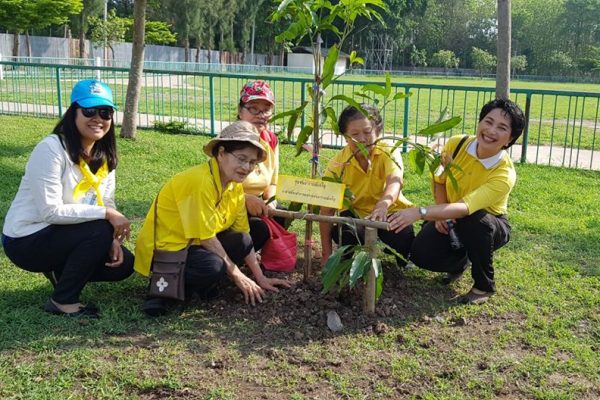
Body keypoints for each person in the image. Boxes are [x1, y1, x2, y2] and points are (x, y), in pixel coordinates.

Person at [1, 79, 134, 318]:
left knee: (123, 265)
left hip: (66, 232)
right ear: (73, 113)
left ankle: (61, 272)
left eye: (105, 112)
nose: (98, 118)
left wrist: (111, 239)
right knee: (100, 228)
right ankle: (63, 301)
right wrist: (107, 217)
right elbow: (50, 211)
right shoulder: (51, 148)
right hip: (26, 239)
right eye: (89, 110)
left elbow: (107, 200)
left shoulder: (104, 155)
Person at [135, 121, 291, 316]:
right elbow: (207, 238)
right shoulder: (199, 182)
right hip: (168, 250)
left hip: (195, 245)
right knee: (213, 266)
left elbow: (243, 233)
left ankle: (200, 283)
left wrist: (260, 277)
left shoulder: (234, 186)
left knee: (245, 238)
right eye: (241, 158)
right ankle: (163, 286)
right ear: (221, 153)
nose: (246, 167)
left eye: (252, 162)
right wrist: (237, 276)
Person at [388, 98, 525, 305]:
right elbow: (440, 181)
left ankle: (483, 286)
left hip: (487, 224)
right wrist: (442, 216)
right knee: (420, 254)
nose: (491, 131)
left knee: (475, 220)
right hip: (453, 213)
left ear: (510, 139)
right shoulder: (456, 144)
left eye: (502, 128)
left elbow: (466, 207)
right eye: (488, 122)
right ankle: (460, 263)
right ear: (479, 122)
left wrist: (420, 212)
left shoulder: (504, 174)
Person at [319, 104, 415, 266]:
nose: (362, 139)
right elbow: (326, 210)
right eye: (355, 134)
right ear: (345, 136)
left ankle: (404, 257)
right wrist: (327, 253)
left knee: (402, 235)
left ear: (378, 131)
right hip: (357, 217)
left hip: (389, 211)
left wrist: (383, 204)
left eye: (367, 132)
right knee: (346, 232)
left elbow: (394, 180)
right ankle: (348, 259)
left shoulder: (388, 152)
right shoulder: (338, 164)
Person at [237, 80, 282, 251]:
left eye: (266, 109)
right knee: (258, 229)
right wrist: (246, 199)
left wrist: (270, 201)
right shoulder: (229, 141)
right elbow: (219, 188)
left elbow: (273, 182)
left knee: (280, 215)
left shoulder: (271, 140)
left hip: (259, 202)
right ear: (240, 111)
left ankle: (260, 254)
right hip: (231, 203)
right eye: (253, 109)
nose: (261, 114)